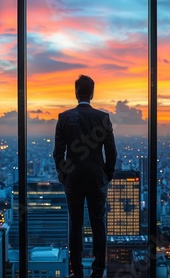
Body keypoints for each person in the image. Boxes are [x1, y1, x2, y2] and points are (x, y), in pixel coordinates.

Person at [53, 75, 117, 278]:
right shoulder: (102, 118)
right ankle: (98, 271)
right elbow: (112, 152)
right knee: (98, 224)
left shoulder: (64, 117)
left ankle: (77, 271)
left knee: (75, 225)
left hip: (73, 180)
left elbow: (58, 153)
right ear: (92, 93)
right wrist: (107, 174)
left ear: (75, 92)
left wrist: (64, 175)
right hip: (97, 179)